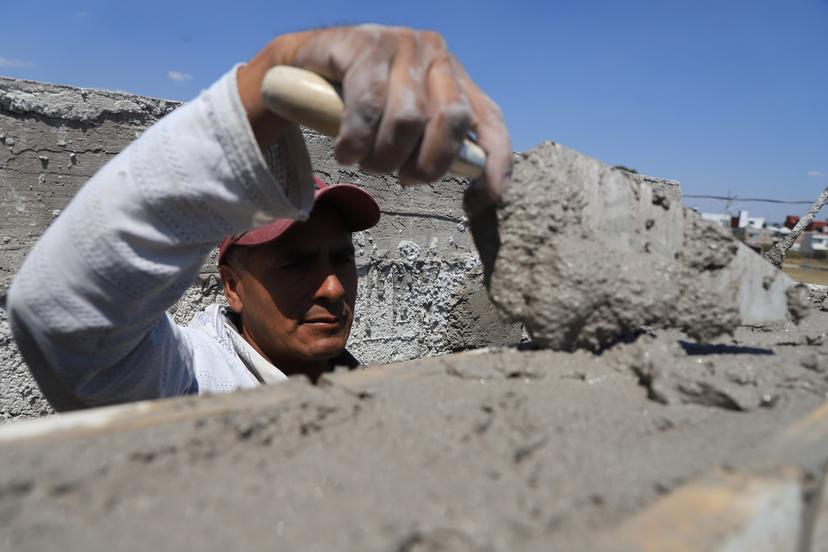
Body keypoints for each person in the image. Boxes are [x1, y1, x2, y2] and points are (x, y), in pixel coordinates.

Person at [6, 25, 512, 411]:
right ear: (231, 286)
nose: (334, 289)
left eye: (342, 258)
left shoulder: (365, 392)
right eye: (295, 265)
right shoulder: (189, 384)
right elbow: (61, 319)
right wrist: (251, 106)